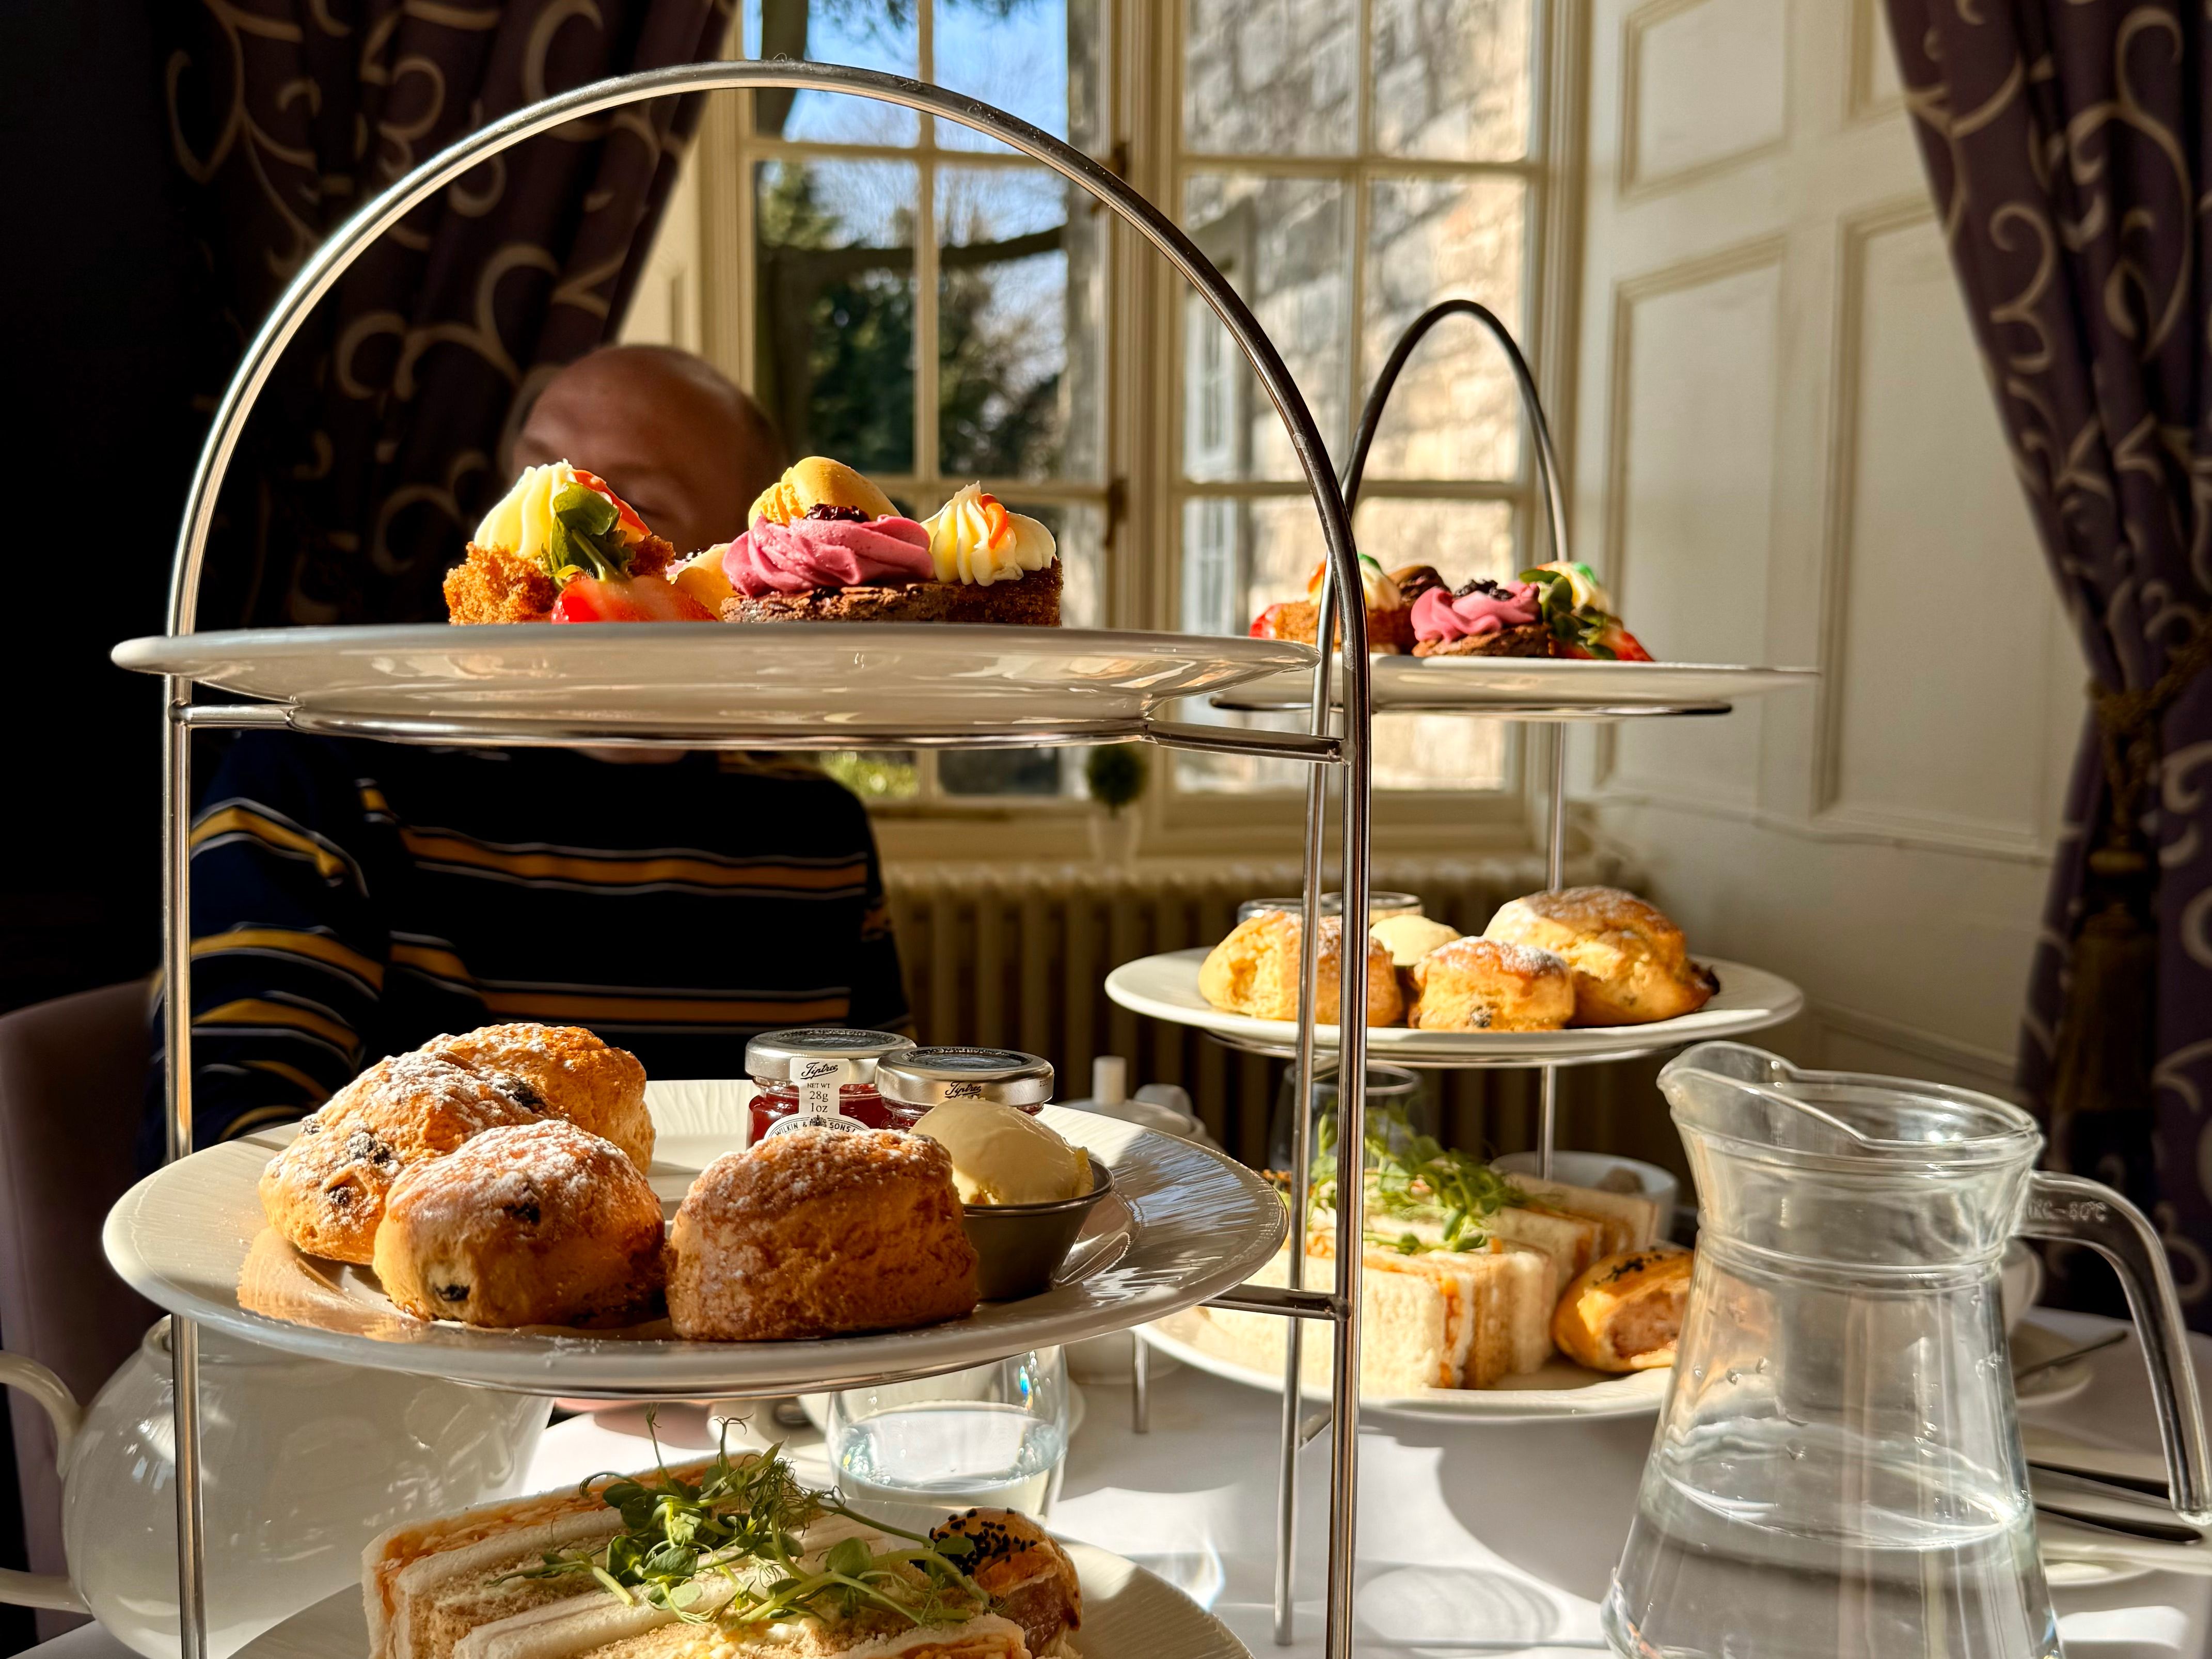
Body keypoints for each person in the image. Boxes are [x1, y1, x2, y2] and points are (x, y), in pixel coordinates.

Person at [145, 348, 905, 1158]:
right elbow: (225, 1151)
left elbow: (878, 1132)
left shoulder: (818, 832)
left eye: (629, 508)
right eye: (532, 492)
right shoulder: (318, 779)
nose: (543, 556)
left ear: (746, 575)